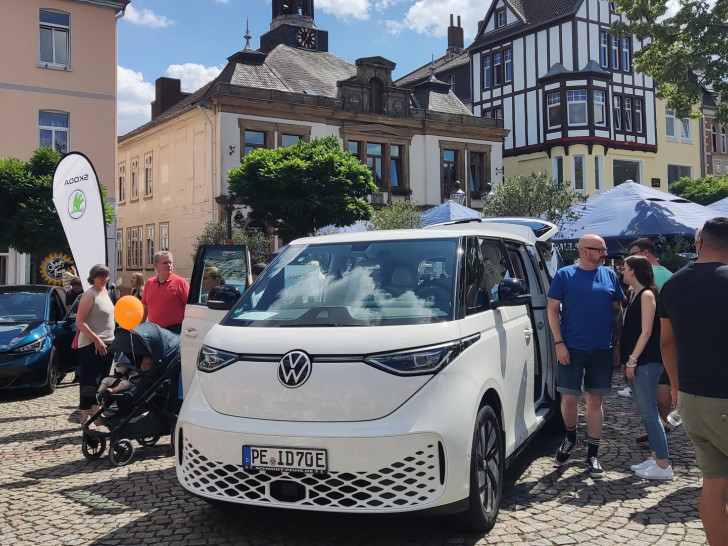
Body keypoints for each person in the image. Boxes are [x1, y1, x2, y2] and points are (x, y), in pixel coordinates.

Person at [660, 218, 728, 545]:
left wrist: (675, 386)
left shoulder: (672, 284)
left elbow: (666, 343)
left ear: (699, 244)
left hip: (691, 398)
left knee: (713, 489)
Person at [547, 234, 625, 478]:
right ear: (584, 251)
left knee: (595, 402)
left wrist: (617, 345)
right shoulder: (564, 275)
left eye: (603, 250)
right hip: (571, 347)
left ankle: (593, 454)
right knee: (569, 398)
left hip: (602, 348)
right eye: (600, 250)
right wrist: (559, 343)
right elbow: (551, 309)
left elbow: (617, 311)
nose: (604, 254)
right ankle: (571, 437)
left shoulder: (610, 276)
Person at [621, 255, 673, 480]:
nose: (621, 272)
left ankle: (663, 464)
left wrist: (632, 360)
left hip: (647, 361)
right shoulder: (635, 294)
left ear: (633, 271)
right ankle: (656, 457)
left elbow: (646, 332)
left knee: (650, 413)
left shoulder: (647, 295)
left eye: (624, 268)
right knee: (647, 412)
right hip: (639, 360)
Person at [625, 237, 674, 439]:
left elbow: (636, 318)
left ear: (645, 254)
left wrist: (631, 358)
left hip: (646, 346)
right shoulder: (671, 275)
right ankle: (662, 421)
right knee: (664, 382)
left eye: (633, 253)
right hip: (667, 336)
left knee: (648, 406)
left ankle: (657, 430)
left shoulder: (642, 288)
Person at [75, 264, 115, 426]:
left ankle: (97, 415)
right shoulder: (89, 295)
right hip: (91, 344)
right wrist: (96, 339)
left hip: (108, 343)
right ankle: (86, 416)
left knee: (103, 381)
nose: (104, 279)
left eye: (106, 276)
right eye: (101, 276)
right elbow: (80, 322)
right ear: (93, 277)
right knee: (89, 380)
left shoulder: (105, 293)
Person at [141, 251, 189, 335]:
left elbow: (190, 307)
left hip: (174, 331)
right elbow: (144, 307)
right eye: (165, 263)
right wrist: (139, 327)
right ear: (156, 265)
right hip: (153, 331)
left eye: (170, 262)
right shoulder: (149, 283)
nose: (169, 265)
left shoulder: (180, 282)